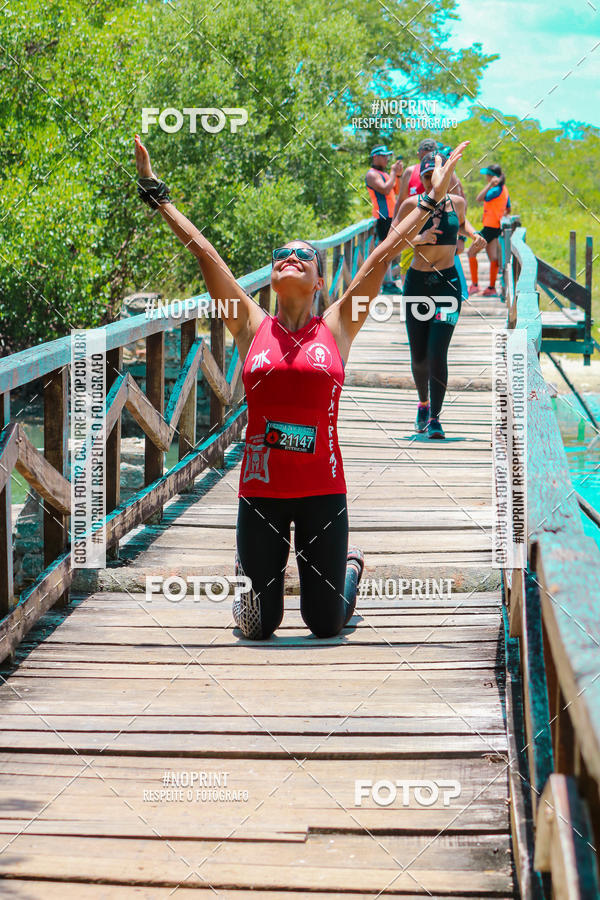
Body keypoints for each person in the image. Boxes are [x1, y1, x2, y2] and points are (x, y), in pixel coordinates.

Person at [134, 134, 469, 638]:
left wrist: (428, 202)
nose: (290, 257)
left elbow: (380, 257)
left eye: (302, 256)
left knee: (325, 623)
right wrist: (156, 193)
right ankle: (251, 578)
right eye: (281, 255)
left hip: (323, 493)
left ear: (318, 281)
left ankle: (349, 569)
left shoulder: (338, 325)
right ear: (271, 277)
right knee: (256, 627)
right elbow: (204, 253)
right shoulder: (249, 325)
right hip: (259, 494)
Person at [395, 151, 485, 440]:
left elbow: (461, 222)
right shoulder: (412, 205)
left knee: (437, 352)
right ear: (420, 179)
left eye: (438, 175)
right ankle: (423, 403)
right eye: (427, 176)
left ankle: (435, 418)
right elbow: (391, 245)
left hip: (448, 284)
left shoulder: (456, 203)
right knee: (419, 356)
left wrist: (474, 237)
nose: (432, 181)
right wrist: (417, 239)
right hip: (418, 285)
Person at [468, 164, 511, 296]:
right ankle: (492, 287)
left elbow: (479, 198)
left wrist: (489, 185)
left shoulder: (495, 189)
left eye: (487, 175)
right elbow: (508, 209)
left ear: (492, 176)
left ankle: (474, 285)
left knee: (471, 253)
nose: (486, 177)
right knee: (493, 257)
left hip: (490, 228)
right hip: (496, 227)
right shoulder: (504, 189)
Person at [365, 145, 403, 293]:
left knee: (392, 250)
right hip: (382, 217)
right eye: (384, 155)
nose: (387, 158)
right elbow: (385, 189)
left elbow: (396, 190)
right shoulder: (372, 174)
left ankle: (389, 280)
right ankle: (386, 283)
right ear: (375, 157)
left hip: (391, 217)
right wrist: (393, 172)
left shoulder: (385, 174)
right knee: (384, 251)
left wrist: (397, 175)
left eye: (388, 156)